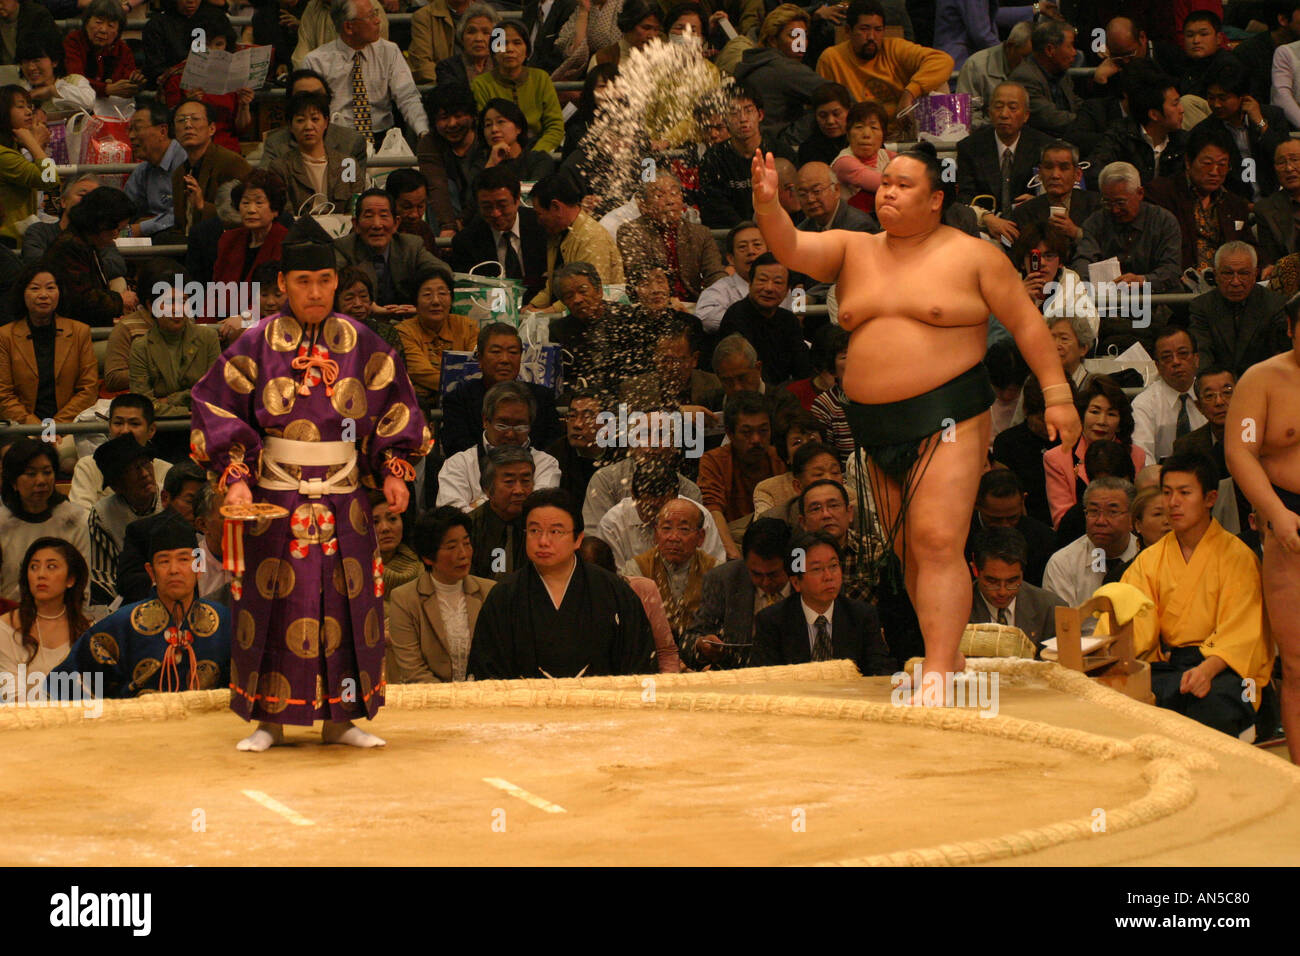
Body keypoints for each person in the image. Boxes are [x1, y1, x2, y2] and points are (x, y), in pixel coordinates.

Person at [753, 139, 1081, 693]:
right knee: (908, 549)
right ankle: (946, 660)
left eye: (904, 185)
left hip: (948, 415)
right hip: (876, 424)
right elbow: (789, 248)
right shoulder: (854, 249)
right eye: (885, 183)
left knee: (934, 540)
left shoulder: (973, 255)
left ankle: (937, 668)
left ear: (935, 200)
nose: (889, 192)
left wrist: (1058, 394)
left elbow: (1027, 324)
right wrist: (766, 206)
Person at [189, 217, 429, 751]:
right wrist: (236, 478)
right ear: (283, 285)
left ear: (337, 282)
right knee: (272, 602)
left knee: (348, 602)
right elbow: (214, 406)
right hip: (274, 493)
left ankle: (342, 719)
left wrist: (393, 467)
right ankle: (268, 721)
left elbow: (397, 408)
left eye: (324, 279)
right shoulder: (255, 343)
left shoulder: (366, 343)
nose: (315, 292)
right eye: (303, 281)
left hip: (344, 494)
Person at [1119, 453, 1274, 737]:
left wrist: (1207, 670)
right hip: (1169, 665)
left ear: (1210, 498)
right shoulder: (1148, 560)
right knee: (1126, 696)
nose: (1173, 502)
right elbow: (1135, 623)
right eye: (1166, 493)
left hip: (1225, 667)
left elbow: (1243, 633)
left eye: (1184, 493)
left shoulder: (1238, 557)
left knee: (1213, 704)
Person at [469, 488, 656, 677]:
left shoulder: (614, 591)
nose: (543, 541)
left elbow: (639, 665)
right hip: (525, 703)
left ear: (578, 539)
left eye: (555, 531)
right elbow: (487, 669)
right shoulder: (504, 596)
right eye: (534, 530)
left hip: (600, 703)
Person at [50, 521, 232, 698]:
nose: (174, 570)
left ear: (199, 566)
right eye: (164, 561)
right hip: (139, 724)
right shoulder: (120, 625)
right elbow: (60, 683)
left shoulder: (225, 622)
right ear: (151, 572)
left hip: (205, 725)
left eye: (184, 559)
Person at [752, 529, 892, 672]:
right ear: (796, 582)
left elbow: (880, 671)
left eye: (833, 566)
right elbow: (765, 680)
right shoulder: (772, 621)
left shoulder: (862, 615)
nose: (828, 576)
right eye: (817, 569)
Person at [387, 505, 496, 682]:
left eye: (466, 543)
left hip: (484, 699)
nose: (463, 554)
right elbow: (413, 671)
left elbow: (498, 660)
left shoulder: (490, 591)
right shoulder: (404, 599)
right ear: (428, 557)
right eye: (451, 547)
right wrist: (452, 702)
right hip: (431, 701)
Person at [301, 0, 430, 147]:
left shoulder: (389, 51)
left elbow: (407, 97)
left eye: (376, 13)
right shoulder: (315, 61)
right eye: (371, 16)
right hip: (335, 141)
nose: (378, 20)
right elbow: (312, 114)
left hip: (383, 139)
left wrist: (424, 132)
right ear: (349, 27)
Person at [814, 0, 953, 128]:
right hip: (857, 135)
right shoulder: (831, 58)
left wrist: (909, 93)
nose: (871, 37)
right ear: (848, 31)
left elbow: (943, 60)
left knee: (939, 83)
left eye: (878, 30)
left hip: (902, 132)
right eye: (864, 29)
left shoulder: (894, 48)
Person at [682, 516, 791, 669]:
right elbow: (690, 640)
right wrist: (702, 645)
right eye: (757, 574)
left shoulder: (808, 578)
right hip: (738, 678)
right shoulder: (723, 580)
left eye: (772, 574)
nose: (765, 582)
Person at [440, 323, 563, 456]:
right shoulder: (459, 399)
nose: (505, 360)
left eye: (513, 352)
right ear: (480, 358)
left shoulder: (542, 397)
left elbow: (553, 446)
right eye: (496, 352)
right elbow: (456, 448)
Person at [437, 380, 562, 511]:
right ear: (485, 421)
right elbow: (453, 522)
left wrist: (478, 503)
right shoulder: (458, 464)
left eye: (520, 426)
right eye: (502, 425)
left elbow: (538, 512)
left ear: (530, 425)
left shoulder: (546, 464)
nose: (510, 434)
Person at [0, 264, 99, 430]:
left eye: (50, 288)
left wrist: (55, 427)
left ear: (60, 292)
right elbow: (3, 395)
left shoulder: (79, 332)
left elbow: (88, 389)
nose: (43, 295)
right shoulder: (5, 336)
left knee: (70, 455)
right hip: (20, 428)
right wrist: (36, 428)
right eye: (35, 288)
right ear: (22, 293)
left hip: (68, 427)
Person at [1069, 161, 1184, 298]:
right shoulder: (1096, 222)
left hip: (1155, 300)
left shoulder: (1164, 222)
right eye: (1107, 203)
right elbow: (1083, 258)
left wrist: (1142, 280)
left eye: (1120, 203)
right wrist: (1086, 283)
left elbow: (1171, 269)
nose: (1115, 210)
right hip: (1107, 301)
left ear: (1140, 193)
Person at [1145, 128, 1253, 273]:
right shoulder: (1161, 194)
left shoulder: (1235, 204)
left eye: (1222, 165)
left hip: (1226, 285)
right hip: (1179, 284)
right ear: (1189, 162)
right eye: (1207, 163)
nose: (1215, 171)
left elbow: (1249, 245)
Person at [1044, 375, 1147, 528]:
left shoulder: (1135, 455)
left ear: (1120, 423)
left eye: (1111, 414)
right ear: (1081, 416)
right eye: (1095, 412)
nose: (1101, 421)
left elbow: (1139, 511)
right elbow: (1062, 520)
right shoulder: (1056, 458)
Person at [956, 82, 1051, 240]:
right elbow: (964, 197)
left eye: (1012, 108)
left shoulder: (1044, 147)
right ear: (989, 112)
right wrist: (987, 219)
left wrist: (1040, 201)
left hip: (1032, 229)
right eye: (998, 107)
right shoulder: (970, 147)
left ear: (1026, 115)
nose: (1004, 114)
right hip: (987, 230)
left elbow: (1059, 193)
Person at [0, 538, 90, 703]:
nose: (41, 575)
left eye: (51, 567)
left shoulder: (89, 632)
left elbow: (93, 694)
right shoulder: (5, 627)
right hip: (20, 722)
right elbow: (10, 698)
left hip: (76, 723)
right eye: (34, 567)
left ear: (71, 579)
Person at [698, 390, 786, 559]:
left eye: (763, 431)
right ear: (730, 434)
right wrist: (734, 556)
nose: (756, 440)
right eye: (746, 432)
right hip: (732, 545)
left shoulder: (780, 459)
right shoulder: (714, 461)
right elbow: (713, 509)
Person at [0, 440, 90, 603]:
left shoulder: (75, 521)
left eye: (47, 472)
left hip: (62, 615)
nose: (41, 481)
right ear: (13, 481)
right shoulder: (2, 525)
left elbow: (82, 586)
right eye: (31, 474)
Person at [618, 495, 718, 641]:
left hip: (701, 654)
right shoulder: (636, 570)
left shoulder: (715, 570)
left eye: (684, 529)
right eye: (666, 528)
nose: (673, 537)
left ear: (700, 537)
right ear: (656, 534)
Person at [617, 172, 727, 302]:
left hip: (694, 305)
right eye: (659, 196)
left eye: (674, 193)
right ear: (643, 205)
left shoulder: (700, 233)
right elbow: (641, 276)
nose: (670, 201)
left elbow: (715, 273)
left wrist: (720, 298)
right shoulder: (631, 231)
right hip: (650, 305)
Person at [700, 84, 796, 229]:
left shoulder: (782, 151)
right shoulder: (713, 158)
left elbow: (793, 200)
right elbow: (714, 206)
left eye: (749, 111)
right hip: (733, 235)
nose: (743, 118)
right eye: (734, 112)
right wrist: (746, 229)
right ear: (724, 120)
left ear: (760, 115)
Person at [1188, 242, 1290, 379]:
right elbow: (1202, 356)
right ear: (1216, 275)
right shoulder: (1202, 307)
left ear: (1255, 274)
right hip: (1219, 388)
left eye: (1243, 273)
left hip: (1264, 385)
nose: (1235, 282)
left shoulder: (1275, 305)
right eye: (1228, 273)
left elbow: (1284, 358)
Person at [129, 270, 222, 419]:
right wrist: (184, 412)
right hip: (160, 430)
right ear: (151, 306)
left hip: (205, 424)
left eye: (183, 301)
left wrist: (171, 400)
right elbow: (142, 405)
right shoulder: (141, 347)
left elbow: (215, 392)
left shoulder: (208, 338)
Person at [1197, 57, 1289, 202]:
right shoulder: (1206, 130)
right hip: (1235, 205)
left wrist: (1260, 123)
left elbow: (1284, 157)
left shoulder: (1273, 116)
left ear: (1243, 97)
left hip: (1277, 201)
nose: (1216, 104)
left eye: (1223, 98)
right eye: (1211, 98)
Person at [333, 189, 448, 306]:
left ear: (396, 223)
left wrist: (420, 307)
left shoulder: (410, 245)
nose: (377, 225)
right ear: (356, 224)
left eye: (384, 216)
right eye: (368, 216)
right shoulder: (344, 248)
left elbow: (443, 271)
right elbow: (331, 285)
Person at [528, 173, 624, 310]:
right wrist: (532, 306)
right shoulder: (556, 233)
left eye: (539, 214)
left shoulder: (592, 237)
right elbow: (552, 286)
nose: (539, 221)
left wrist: (544, 312)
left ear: (556, 207)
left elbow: (587, 293)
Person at [88, 434, 163, 607]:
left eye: (145, 464)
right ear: (116, 486)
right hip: (127, 604)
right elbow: (103, 578)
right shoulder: (103, 515)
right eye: (134, 470)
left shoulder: (171, 499)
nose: (145, 474)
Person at [597, 466, 726, 566]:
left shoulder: (698, 515)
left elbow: (716, 570)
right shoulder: (612, 524)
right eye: (651, 508)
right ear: (634, 496)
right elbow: (615, 583)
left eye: (665, 508)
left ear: (676, 497)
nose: (659, 516)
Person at [114, 464, 206, 604]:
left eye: (202, 502)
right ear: (165, 498)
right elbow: (127, 583)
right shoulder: (141, 531)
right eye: (190, 501)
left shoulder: (207, 534)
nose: (198, 509)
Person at [1042, 475, 1139, 607]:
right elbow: (1063, 623)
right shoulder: (1063, 563)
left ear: (1132, 518)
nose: (1100, 521)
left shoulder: (1147, 558)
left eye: (1112, 512)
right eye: (1093, 511)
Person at [470, 20, 564, 154]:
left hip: (538, 151)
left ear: (527, 51)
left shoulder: (541, 78)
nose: (509, 49)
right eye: (501, 43)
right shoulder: (481, 84)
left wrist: (534, 155)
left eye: (517, 43)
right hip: (499, 151)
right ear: (493, 52)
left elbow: (555, 126)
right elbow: (484, 128)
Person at [718, 255, 813, 386]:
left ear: (787, 290)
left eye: (778, 282)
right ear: (750, 284)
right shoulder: (736, 317)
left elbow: (802, 369)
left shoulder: (789, 320)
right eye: (762, 280)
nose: (769, 288)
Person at [732, 4, 825, 137]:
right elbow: (840, 98)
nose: (801, 43)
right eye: (794, 36)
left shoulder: (753, 61)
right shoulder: (786, 68)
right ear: (773, 40)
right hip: (781, 149)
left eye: (804, 36)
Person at [265, 89, 363, 214]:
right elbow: (284, 213)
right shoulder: (280, 168)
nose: (308, 126)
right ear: (290, 126)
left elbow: (355, 207)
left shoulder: (347, 164)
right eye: (300, 120)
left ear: (326, 122)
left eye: (315, 119)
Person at [967, 525, 1063, 651]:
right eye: (992, 581)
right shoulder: (955, 611)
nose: (1003, 592)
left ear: (1022, 572)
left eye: (1012, 581)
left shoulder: (1051, 609)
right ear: (975, 570)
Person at [68, 394, 170, 512]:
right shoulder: (88, 467)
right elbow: (81, 518)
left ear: (151, 430)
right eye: (118, 423)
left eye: (134, 424)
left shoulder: (166, 471)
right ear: (109, 427)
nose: (125, 430)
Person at [394, 263, 477, 408]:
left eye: (443, 293)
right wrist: (466, 385)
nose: (436, 301)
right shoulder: (404, 332)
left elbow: (476, 370)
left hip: (465, 404)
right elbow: (420, 373)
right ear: (415, 301)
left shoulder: (467, 326)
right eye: (427, 295)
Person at [1088, 66, 1187, 186]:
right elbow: (1095, 173)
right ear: (1154, 115)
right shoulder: (1120, 136)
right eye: (1175, 104)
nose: (1181, 110)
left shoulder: (1182, 141)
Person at [258, 69, 367, 175]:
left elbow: (353, 189)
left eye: (317, 96)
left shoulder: (351, 142)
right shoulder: (276, 144)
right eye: (303, 96)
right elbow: (266, 185)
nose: (310, 102)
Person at [1007, 19, 1095, 151]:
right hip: (1037, 148)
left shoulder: (1060, 72)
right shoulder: (1025, 77)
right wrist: (1089, 122)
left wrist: (1095, 114)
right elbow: (1050, 118)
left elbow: (1076, 103)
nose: (1074, 53)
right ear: (1050, 50)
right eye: (1070, 46)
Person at [171, 99, 253, 237]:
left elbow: (244, 215)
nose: (188, 125)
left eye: (195, 119)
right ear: (174, 131)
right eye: (181, 120)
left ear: (212, 129)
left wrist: (202, 205)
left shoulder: (231, 163)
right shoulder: (179, 172)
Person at [1008, 140, 1102, 258]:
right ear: (1040, 173)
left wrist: (1076, 233)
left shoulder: (1096, 204)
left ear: (1077, 174)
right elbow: (1018, 255)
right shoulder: (1024, 212)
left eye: (1064, 168)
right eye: (1048, 167)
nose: (1055, 175)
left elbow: (1107, 246)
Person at [694, 221, 793, 334]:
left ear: (769, 251)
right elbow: (705, 320)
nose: (751, 251)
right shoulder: (718, 290)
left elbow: (795, 309)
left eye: (757, 245)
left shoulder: (780, 284)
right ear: (731, 259)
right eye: (742, 247)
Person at [965, 467, 1056, 586]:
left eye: (1012, 518)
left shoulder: (1042, 539)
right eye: (995, 519)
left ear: (1023, 500)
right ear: (976, 504)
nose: (1005, 526)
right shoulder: (959, 538)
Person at [1131, 327, 1208, 464]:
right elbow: (1142, 457)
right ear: (1157, 366)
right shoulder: (1144, 404)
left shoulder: (1210, 394)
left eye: (1183, 354)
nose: (1176, 362)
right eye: (1167, 357)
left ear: (1196, 359)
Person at [417, 87, 486, 235]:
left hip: (482, 210)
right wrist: (448, 226)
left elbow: (482, 185)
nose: (452, 123)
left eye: (458, 115)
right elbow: (437, 186)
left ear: (472, 116)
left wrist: (461, 221)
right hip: (448, 215)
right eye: (444, 118)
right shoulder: (429, 143)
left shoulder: (485, 137)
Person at [467, 444, 533, 579]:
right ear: (487, 488)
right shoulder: (467, 528)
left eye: (526, 481)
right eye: (509, 482)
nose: (519, 490)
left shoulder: (541, 526)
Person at [213, 170, 290, 285]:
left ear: (275, 209)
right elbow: (216, 288)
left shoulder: (286, 242)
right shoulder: (229, 240)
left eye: (259, 203)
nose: (251, 210)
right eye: (245, 203)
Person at [0, 85, 53, 247]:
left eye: (29, 106)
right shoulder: (3, 156)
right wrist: (34, 143)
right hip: (7, 241)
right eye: (20, 106)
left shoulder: (13, 149)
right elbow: (49, 179)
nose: (29, 112)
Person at [124, 103, 187, 240]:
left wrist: (142, 227)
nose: (131, 136)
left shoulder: (186, 162)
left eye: (137, 129)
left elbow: (184, 213)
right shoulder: (143, 169)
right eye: (129, 130)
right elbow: (124, 207)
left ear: (163, 131)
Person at [956, 20, 1034, 128]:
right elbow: (967, 112)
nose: (1029, 63)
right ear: (1010, 46)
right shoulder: (976, 65)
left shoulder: (1037, 67)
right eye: (1025, 57)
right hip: (985, 134)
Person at [62, 0, 144, 100]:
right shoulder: (74, 41)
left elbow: (127, 79)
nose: (103, 30)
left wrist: (134, 83)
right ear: (87, 22)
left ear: (118, 31)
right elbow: (75, 79)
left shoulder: (123, 50)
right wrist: (106, 89)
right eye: (98, 22)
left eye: (111, 26)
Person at [140, 0, 235, 85]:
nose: (191, 1)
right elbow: (154, 71)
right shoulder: (157, 24)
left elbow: (229, 49)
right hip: (175, 85)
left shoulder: (215, 17)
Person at [291, 0, 392, 70]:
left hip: (364, 81)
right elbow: (300, 57)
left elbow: (378, 56)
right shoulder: (312, 8)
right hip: (320, 84)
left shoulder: (369, 7)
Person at [477, 97, 558, 186]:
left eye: (500, 122)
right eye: (488, 124)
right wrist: (491, 163)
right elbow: (473, 198)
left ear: (518, 127)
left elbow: (533, 196)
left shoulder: (538, 160)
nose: (494, 129)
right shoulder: (479, 163)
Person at [545, 392, 605, 506]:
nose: (577, 424)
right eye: (572, 416)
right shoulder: (553, 458)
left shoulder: (622, 454)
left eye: (587, 417)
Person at [794, 160, 878, 234]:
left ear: (837, 190)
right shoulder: (803, 229)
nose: (810, 199)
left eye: (817, 191)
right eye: (803, 194)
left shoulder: (859, 226)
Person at [430, 3, 499, 92]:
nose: (478, 39)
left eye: (486, 32)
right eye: (471, 32)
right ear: (462, 37)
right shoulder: (447, 68)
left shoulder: (502, 65)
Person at [409, 0, 482, 83]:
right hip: (444, 87)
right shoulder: (424, 16)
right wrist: (450, 83)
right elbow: (421, 63)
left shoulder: (486, 14)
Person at [796, 83, 852, 167]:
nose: (830, 121)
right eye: (823, 115)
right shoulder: (809, 149)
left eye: (836, 114)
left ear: (849, 111)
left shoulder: (865, 141)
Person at [1132, 484, 1171, 548]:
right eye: (1158, 514)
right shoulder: (1140, 558)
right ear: (1138, 525)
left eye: (1171, 513)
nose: (1167, 521)